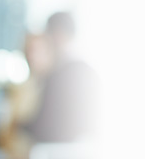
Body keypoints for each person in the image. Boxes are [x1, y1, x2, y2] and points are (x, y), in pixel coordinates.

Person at [26, 11, 95, 143]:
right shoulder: (87, 70)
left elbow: (47, 125)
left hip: (62, 152)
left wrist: (19, 125)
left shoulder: (60, 75)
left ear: (58, 33)